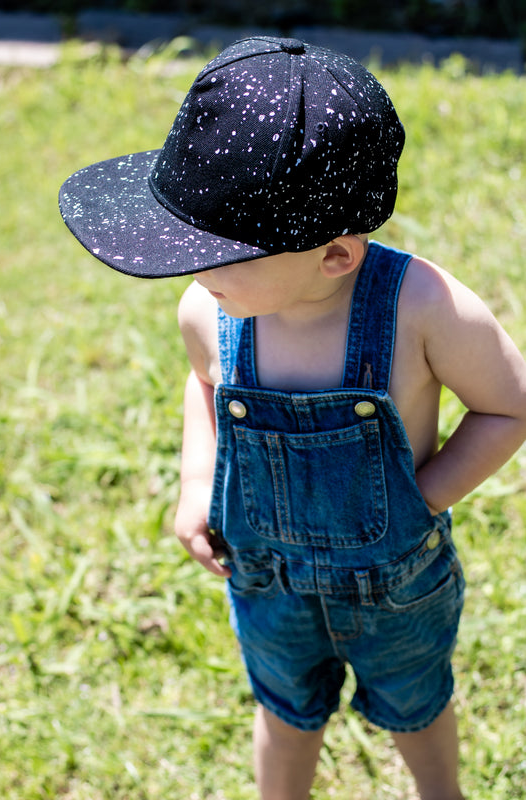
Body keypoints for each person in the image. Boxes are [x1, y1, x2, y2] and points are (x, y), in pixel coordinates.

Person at [59, 36, 526, 800]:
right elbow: (205, 385)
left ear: (335, 256)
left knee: (415, 706)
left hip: (394, 583)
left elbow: (507, 404)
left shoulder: (421, 308)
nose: (192, 273)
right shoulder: (208, 310)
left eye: (212, 254)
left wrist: (426, 497)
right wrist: (196, 482)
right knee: (282, 709)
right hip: (266, 579)